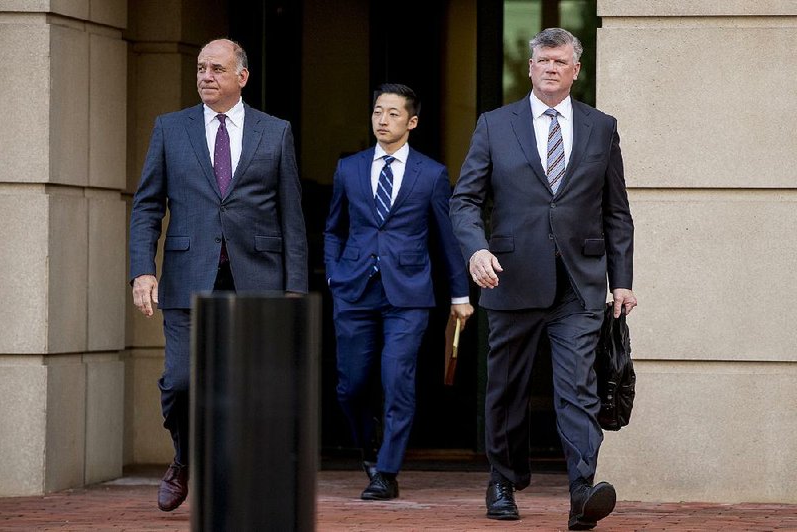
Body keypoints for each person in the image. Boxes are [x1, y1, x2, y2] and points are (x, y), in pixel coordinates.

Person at [449, 28, 637, 530]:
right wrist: (476, 249)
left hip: (580, 283)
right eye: (543, 60)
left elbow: (617, 212)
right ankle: (503, 480)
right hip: (509, 278)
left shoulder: (601, 127)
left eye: (561, 61)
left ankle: (581, 491)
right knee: (507, 387)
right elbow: (465, 200)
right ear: (530, 68)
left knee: (578, 386)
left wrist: (622, 280)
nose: (551, 68)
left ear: (577, 70)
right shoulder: (495, 124)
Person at [129, 38, 308, 512]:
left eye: (217, 69)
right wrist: (142, 270)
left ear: (241, 77)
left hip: (258, 278)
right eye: (201, 68)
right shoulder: (171, 128)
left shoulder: (276, 131)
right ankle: (185, 458)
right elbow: (147, 206)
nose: (206, 76)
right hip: (189, 276)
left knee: (252, 387)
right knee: (181, 381)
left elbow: (291, 214)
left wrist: (294, 286)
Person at [324, 83, 474, 500]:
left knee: (397, 379)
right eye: (377, 112)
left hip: (407, 296)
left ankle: (386, 471)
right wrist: (335, 274)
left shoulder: (431, 174)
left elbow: (447, 239)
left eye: (392, 113)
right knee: (350, 386)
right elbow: (333, 228)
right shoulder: (348, 168)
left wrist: (459, 295)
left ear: (411, 122)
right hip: (354, 291)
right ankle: (368, 443)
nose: (382, 120)